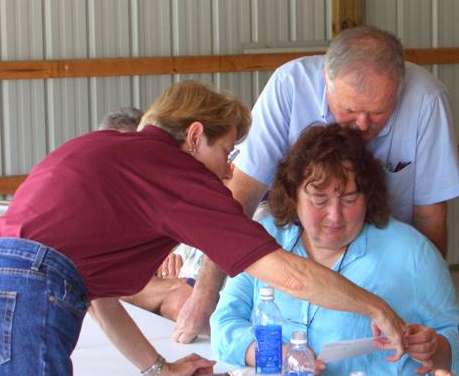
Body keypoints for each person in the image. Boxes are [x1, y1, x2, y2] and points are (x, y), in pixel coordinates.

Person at [0, 81, 406, 375]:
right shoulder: (170, 169)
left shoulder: (104, 148)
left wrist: (158, 368)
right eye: (226, 151)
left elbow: (100, 299)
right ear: (195, 135)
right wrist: (377, 307)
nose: (230, 169)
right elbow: (287, 275)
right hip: (31, 287)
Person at [174, 25, 459, 344]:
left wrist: (427, 296)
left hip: (388, 263)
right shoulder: (289, 86)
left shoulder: (427, 100)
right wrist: (205, 289)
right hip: (303, 254)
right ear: (326, 80)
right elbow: (240, 197)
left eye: (378, 113)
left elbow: (432, 216)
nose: (363, 125)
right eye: (349, 111)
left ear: (399, 87)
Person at [210, 124, 459, 375]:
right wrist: (282, 356)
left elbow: (453, 332)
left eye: (350, 199)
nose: (334, 215)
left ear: (368, 196)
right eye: (319, 200)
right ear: (293, 196)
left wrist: (436, 348)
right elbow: (224, 324)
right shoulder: (266, 239)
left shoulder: (412, 253)